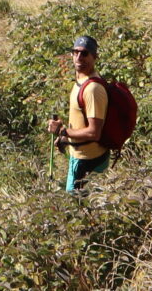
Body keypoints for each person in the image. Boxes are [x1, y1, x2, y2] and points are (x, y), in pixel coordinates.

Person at [48, 33, 112, 192]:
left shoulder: (92, 89)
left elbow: (94, 132)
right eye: (75, 52)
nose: (79, 57)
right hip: (80, 154)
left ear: (95, 57)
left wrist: (63, 131)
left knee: (77, 203)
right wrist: (65, 137)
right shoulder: (81, 81)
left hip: (88, 158)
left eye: (84, 53)